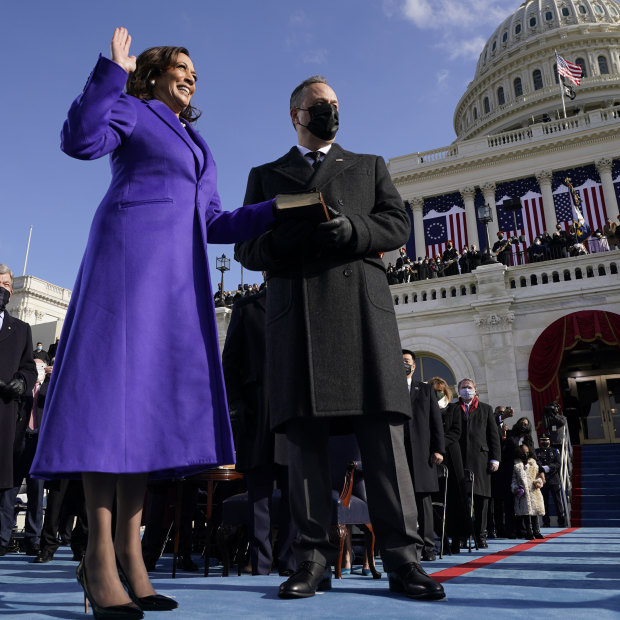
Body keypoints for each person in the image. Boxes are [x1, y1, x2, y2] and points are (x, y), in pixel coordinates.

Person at [30, 28, 276, 618]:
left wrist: (279, 212)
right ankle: (97, 558)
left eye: (195, 71)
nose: (191, 76)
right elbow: (79, 140)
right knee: (109, 402)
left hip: (174, 283)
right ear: (156, 74)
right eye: (181, 68)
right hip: (125, 264)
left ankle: (130, 556)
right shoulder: (133, 110)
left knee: (141, 409)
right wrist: (112, 71)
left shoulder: (200, 146)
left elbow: (214, 222)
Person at [235, 75, 445, 601]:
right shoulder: (266, 175)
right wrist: (282, 240)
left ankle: (403, 557)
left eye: (334, 105)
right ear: (294, 114)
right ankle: (311, 559)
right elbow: (246, 249)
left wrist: (355, 230)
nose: (328, 111)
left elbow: (396, 225)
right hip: (298, 315)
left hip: (360, 313)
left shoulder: (369, 165)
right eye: (317, 105)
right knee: (303, 444)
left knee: (383, 440)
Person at [222, 288, 296, 576]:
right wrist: (236, 404)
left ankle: (290, 563)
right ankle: (260, 563)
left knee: (294, 495)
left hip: (293, 414)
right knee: (259, 497)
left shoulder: (299, 302)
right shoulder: (246, 307)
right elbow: (230, 362)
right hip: (256, 414)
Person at [0, 264, 37, 557]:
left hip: (5, 414)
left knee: (4, 481)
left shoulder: (22, 329)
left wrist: (21, 382)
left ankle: (1, 538)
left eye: (7, 285)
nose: (4, 288)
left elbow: (28, 367)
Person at [0, 358, 47, 556]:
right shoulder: (21, 390)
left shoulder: (48, 392)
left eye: (42, 368)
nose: (39, 371)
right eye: (35, 368)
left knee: (36, 495)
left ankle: (33, 540)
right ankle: (3, 538)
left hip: (39, 445)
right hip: (19, 443)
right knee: (9, 492)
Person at [402, 351, 445, 561]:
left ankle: (428, 546)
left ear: (414, 366)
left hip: (422, 453)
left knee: (423, 501)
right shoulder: (390, 388)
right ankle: (406, 545)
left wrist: (438, 449)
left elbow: (436, 421)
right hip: (398, 452)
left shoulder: (425, 389)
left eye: (407, 362)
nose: (404, 365)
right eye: (400, 362)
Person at [454, 378, 501, 548]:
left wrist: (495, 458)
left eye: (469, 387)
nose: (466, 390)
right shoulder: (453, 409)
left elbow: (493, 436)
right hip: (459, 458)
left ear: (475, 389)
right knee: (460, 499)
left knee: (481, 498)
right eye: (463, 387)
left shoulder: (486, 409)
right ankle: (461, 535)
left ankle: (480, 535)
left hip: (481, 459)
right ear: (458, 390)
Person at [429, 377, 463, 554]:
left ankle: (456, 539)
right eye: (434, 390)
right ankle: (440, 539)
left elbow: (456, 432)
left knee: (454, 499)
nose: (438, 393)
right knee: (435, 500)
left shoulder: (454, 409)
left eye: (440, 390)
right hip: (433, 458)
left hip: (451, 456)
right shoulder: (426, 410)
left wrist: (439, 447)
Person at [511, 444, 545, 540]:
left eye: (527, 452)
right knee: (526, 514)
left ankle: (537, 531)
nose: (525, 454)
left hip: (533, 491)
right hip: (522, 493)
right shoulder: (516, 465)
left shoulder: (534, 463)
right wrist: (515, 488)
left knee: (534, 513)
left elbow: (538, 476)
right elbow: (514, 479)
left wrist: (538, 482)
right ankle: (528, 532)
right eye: (523, 452)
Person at [535, 434, 566, 528]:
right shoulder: (537, 451)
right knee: (544, 501)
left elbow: (558, 464)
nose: (544, 442)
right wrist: (542, 469)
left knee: (557, 501)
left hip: (553, 479)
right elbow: (536, 462)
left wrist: (548, 467)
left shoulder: (555, 451)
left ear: (549, 441)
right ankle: (546, 522)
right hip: (542, 479)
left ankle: (561, 521)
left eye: (546, 440)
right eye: (543, 440)